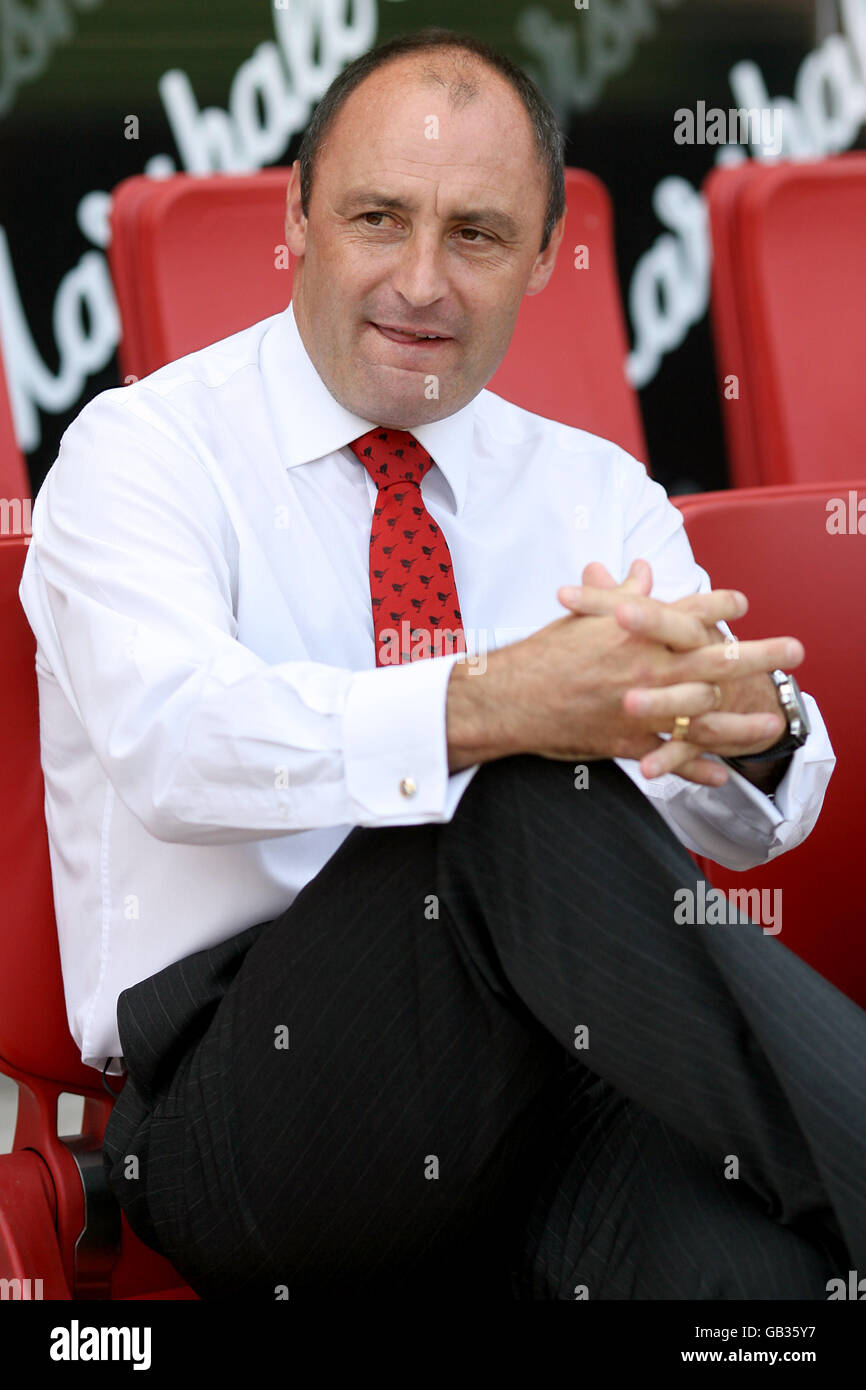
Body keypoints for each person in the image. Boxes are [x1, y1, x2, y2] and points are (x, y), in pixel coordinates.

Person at [17, 27, 864, 1301]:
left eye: (474, 234)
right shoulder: (143, 454)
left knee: (762, 1289)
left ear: (540, 255)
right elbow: (172, 745)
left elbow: (750, 827)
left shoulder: (594, 491)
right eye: (376, 217)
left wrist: (746, 732)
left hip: (554, 1079)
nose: (420, 281)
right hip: (251, 1102)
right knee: (521, 791)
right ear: (295, 216)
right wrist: (488, 705)